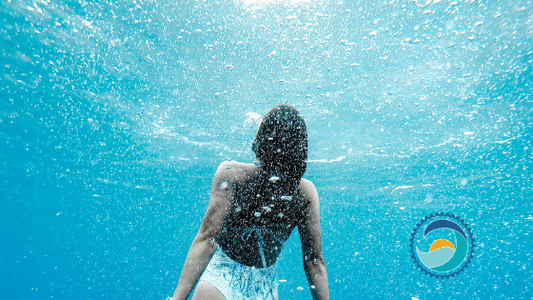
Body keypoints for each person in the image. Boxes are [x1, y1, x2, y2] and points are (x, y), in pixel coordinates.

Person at [171, 104, 329, 300]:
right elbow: (314, 260)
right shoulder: (304, 193)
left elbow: (207, 239)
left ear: (261, 140)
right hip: (232, 278)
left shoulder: (232, 175)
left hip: (234, 279)